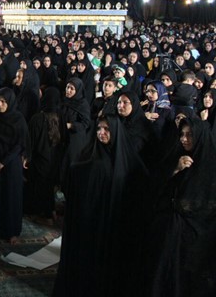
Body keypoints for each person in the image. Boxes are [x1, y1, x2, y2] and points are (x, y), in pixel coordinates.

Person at [54, 115, 149, 297]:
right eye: (99, 128)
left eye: (106, 129)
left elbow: (139, 184)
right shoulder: (89, 155)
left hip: (114, 223)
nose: (101, 133)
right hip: (92, 222)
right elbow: (77, 173)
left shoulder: (125, 158)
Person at [144, 117, 216, 297]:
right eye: (182, 134)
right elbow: (157, 190)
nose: (184, 139)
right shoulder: (176, 157)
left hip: (197, 242)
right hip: (172, 237)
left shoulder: (210, 165)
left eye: (189, 135)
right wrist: (174, 170)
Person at [0, 87, 30, 244]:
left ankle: (12, 231)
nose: (0, 105)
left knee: (11, 197)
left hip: (11, 164)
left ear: (10, 102)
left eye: (3, 102)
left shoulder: (18, 119)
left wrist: (3, 162)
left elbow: (19, 144)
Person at [25, 87, 67, 225]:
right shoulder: (61, 117)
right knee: (49, 186)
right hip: (55, 160)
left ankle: (47, 216)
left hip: (40, 159)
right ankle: (51, 211)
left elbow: (31, 141)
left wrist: (26, 157)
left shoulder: (37, 118)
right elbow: (65, 139)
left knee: (41, 187)